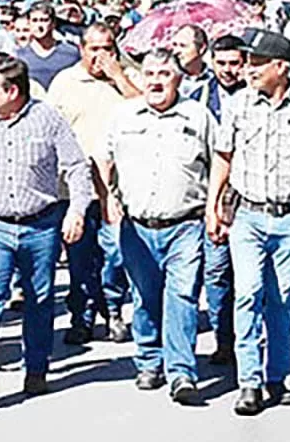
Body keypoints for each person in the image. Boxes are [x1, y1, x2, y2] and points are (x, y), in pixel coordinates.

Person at [206, 28, 290, 415]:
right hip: (248, 215)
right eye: (247, 61)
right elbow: (223, 156)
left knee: (281, 302)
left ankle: (275, 378)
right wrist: (212, 205)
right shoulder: (238, 104)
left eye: (257, 62)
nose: (248, 69)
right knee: (248, 293)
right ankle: (248, 382)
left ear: (280, 67)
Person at [0, 57, 91, 411]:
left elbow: (76, 167)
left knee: (39, 300)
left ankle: (36, 367)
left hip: (40, 224)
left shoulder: (48, 119)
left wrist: (76, 210)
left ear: (12, 91)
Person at [97, 48, 218, 405]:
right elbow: (102, 157)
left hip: (185, 224)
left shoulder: (199, 116)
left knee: (181, 296)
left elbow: (220, 163)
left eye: (164, 74)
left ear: (178, 79)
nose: (155, 81)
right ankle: (150, 360)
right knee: (146, 296)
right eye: (149, 73)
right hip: (137, 226)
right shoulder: (123, 115)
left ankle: (182, 371)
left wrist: (215, 209)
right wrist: (108, 198)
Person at [46, 23, 140, 345]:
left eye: (108, 47)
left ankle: (112, 308)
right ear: (82, 49)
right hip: (76, 188)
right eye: (94, 48)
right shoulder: (65, 82)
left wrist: (118, 76)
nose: (101, 55)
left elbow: (145, 107)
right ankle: (81, 316)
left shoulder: (128, 76)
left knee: (116, 254)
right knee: (80, 257)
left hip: (119, 188)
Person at [190, 34, 246, 365]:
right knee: (217, 273)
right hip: (212, 196)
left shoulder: (255, 95)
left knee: (250, 278)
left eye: (234, 64)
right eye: (221, 63)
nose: (227, 71)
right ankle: (224, 337)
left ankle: (247, 338)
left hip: (248, 194)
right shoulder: (198, 98)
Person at [16, 2, 80, 90]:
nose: (39, 25)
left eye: (44, 20)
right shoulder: (19, 57)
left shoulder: (72, 53)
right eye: (35, 20)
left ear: (53, 24)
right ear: (29, 24)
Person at [171, 25, 213, 99]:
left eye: (183, 46)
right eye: (175, 45)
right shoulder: (170, 77)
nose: (176, 51)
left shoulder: (213, 78)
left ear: (202, 48)